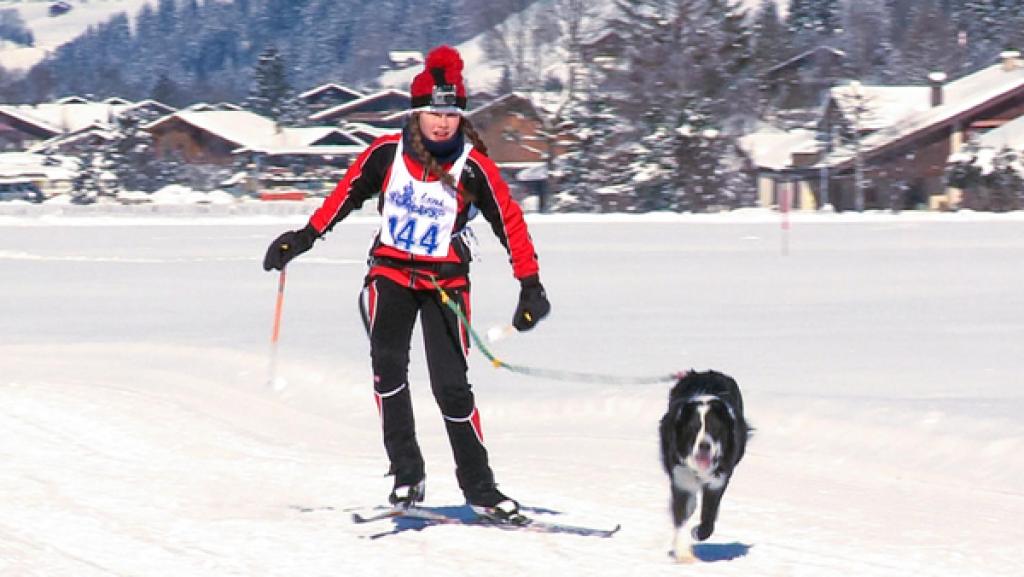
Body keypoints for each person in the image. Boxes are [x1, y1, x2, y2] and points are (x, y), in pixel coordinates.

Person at [262, 45, 550, 520]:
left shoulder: (474, 166)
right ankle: (406, 473)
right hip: (390, 277)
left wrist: (530, 285)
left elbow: (511, 223)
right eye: (433, 112)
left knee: (452, 387)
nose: (442, 122)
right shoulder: (385, 155)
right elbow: (343, 198)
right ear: (416, 113)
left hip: (445, 284)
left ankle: (480, 488)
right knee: (387, 370)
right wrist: (303, 237)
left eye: (452, 112)